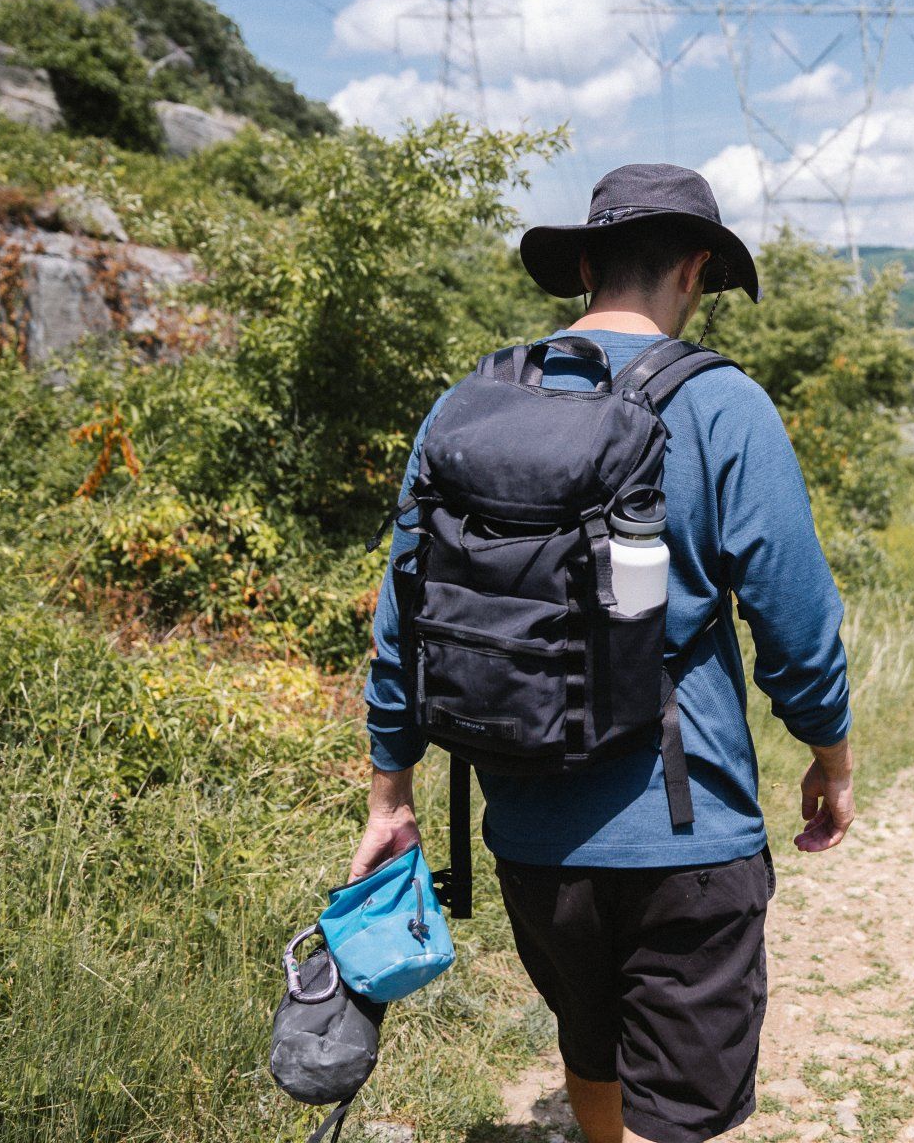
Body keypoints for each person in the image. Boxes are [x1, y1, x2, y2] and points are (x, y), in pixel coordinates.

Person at [353, 163, 857, 1143]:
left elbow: (402, 615)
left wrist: (390, 796)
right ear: (698, 271)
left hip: (531, 830)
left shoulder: (474, 399)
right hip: (687, 830)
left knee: (589, 1040)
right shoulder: (724, 404)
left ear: (584, 264)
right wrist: (830, 757)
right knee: (684, 1106)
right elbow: (797, 620)